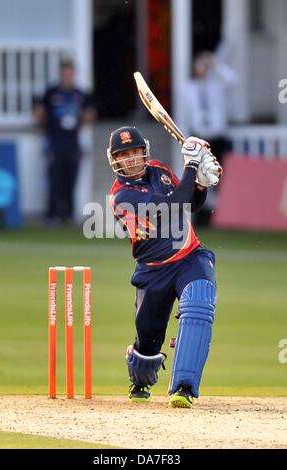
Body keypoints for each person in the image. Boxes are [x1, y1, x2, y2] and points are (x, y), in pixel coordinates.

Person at [107, 126, 222, 408]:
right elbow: (173, 204)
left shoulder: (159, 170)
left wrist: (201, 183)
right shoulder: (122, 196)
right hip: (153, 270)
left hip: (189, 257)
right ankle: (141, 377)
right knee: (148, 344)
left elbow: (191, 203)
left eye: (135, 152)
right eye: (124, 155)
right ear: (115, 160)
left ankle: (184, 386)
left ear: (144, 151)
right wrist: (192, 165)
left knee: (199, 301)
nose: (132, 159)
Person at [34, 59, 97, 224]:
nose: (67, 77)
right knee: (55, 178)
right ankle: (52, 214)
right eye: (65, 74)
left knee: (71, 178)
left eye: (70, 74)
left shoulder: (79, 94)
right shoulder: (51, 93)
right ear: (61, 74)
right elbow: (40, 113)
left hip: (72, 142)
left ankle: (68, 214)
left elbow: (89, 114)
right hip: (55, 141)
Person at [178, 50, 236, 226]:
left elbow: (233, 80)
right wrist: (185, 140)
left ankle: (219, 214)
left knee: (219, 176)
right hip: (199, 139)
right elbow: (184, 115)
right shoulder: (187, 88)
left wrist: (215, 63)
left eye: (205, 65)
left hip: (218, 137)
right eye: (200, 64)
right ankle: (200, 214)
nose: (203, 68)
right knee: (200, 178)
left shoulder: (216, 84)